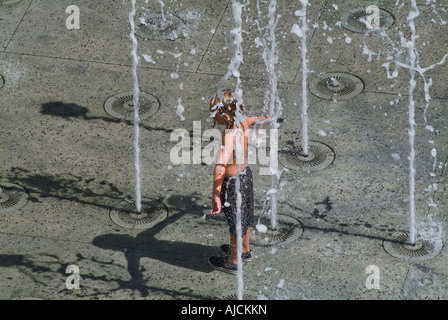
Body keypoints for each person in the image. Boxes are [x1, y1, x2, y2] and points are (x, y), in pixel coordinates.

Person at [208, 89, 268, 274]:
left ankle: (233, 260)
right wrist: (264, 118)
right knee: (246, 216)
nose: (212, 116)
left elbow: (220, 167)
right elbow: (254, 119)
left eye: (214, 112)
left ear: (224, 114)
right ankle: (245, 250)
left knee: (236, 221)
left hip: (232, 183)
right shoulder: (243, 122)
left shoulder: (229, 134)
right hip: (246, 176)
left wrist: (216, 195)